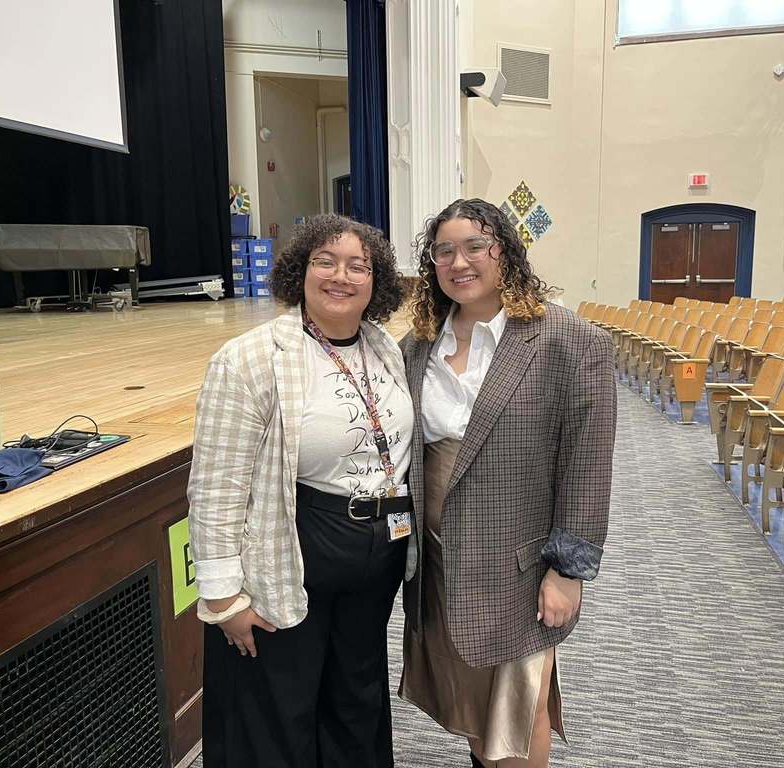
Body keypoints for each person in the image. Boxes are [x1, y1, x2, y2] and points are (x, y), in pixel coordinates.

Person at [188, 214, 414, 768]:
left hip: (377, 553)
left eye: (358, 265)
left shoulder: (385, 346)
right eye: (325, 261)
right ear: (299, 273)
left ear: (376, 281)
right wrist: (223, 599)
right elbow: (216, 485)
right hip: (296, 548)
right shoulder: (250, 358)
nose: (341, 276)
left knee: (355, 700)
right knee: (278, 711)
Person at [398, 198, 617, 768]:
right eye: (444, 250)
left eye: (475, 246)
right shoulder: (420, 344)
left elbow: (588, 467)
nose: (459, 262)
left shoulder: (566, 340)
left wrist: (568, 571)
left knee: (521, 709)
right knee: (472, 697)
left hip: (519, 561)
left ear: (506, 254)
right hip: (441, 561)